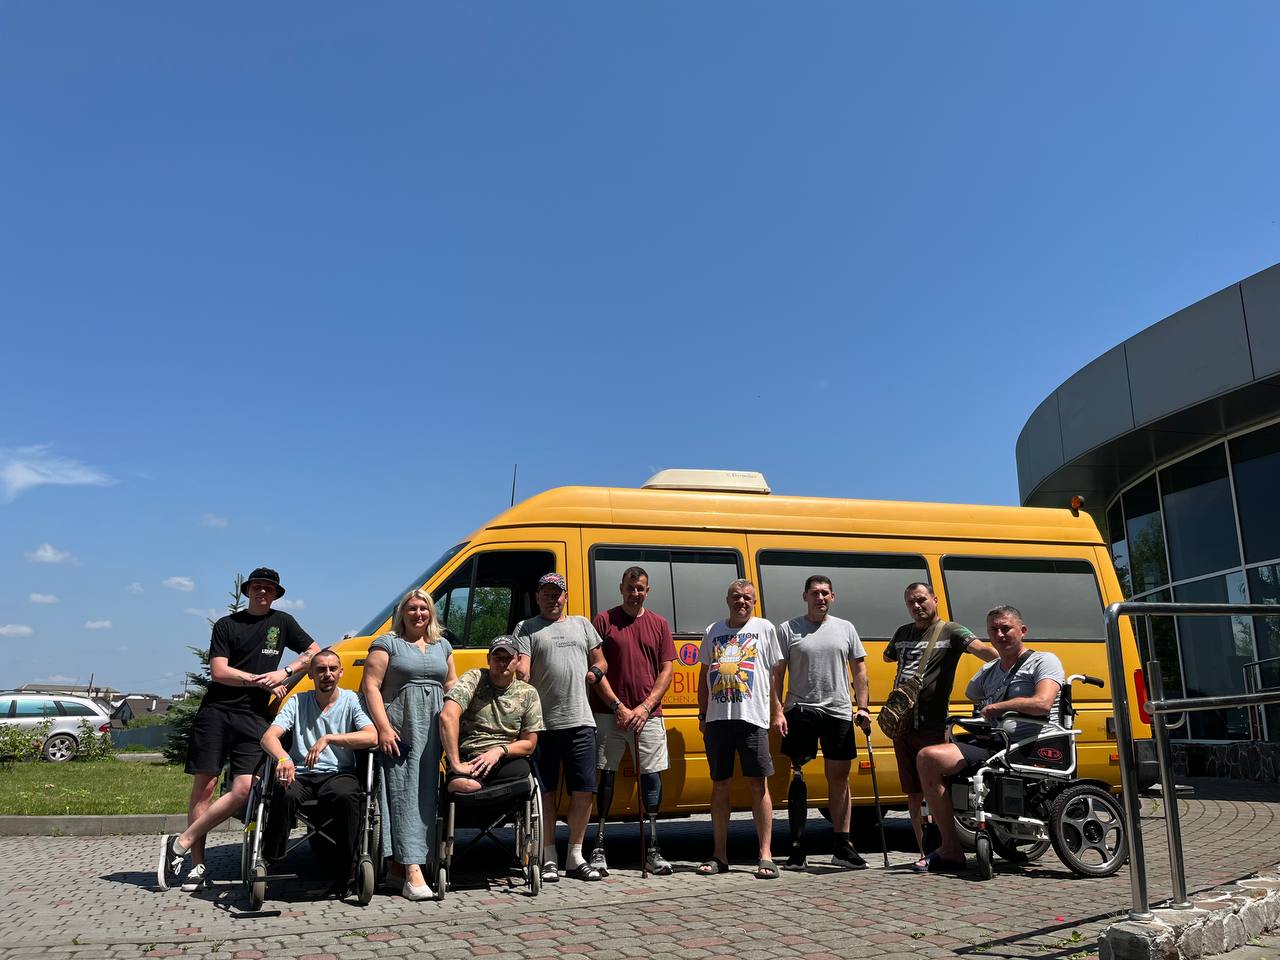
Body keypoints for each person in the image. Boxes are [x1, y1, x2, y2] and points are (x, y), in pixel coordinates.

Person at [157, 567, 319, 893]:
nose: (263, 592)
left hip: (255, 716)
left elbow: (315, 652)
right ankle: (197, 866)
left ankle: (180, 842)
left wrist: (286, 671)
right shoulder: (227, 625)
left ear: (276, 594)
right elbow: (219, 671)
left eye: (269, 588)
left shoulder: (283, 623)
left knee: (244, 788)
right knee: (206, 787)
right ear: (248, 591)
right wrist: (260, 680)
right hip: (217, 712)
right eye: (257, 587)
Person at [915, 604, 1066, 872]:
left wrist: (999, 706)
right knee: (928, 758)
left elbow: (1043, 703)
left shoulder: (1044, 661)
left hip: (1031, 744)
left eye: (1006, 628)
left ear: (1023, 630)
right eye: (993, 630)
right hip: (997, 743)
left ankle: (952, 845)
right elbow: (971, 692)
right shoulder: (991, 669)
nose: (1000, 635)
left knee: (933, 756)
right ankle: (950, 847)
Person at [883, 582, 996, 870]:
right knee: (913, 793)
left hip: (931, 725)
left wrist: (1013, 664)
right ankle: (924, 851)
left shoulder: (951, 631)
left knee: (934, 787)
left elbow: (982, 650)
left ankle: (944, 847)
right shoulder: (902, 633)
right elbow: (889, 656)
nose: (917, 606)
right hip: (902, 724)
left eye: (921, 600)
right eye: (911, 602)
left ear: (935, 599)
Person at [361, 589, 457, 900]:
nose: (418, 613)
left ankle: (397, 871)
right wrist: (383, 728)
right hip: (400, 727)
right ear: (402, 612)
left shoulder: (442, 645)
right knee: (404, 794)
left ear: (431, 613)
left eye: (423, 608)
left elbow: (451, 684)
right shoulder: (387, 643)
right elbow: (371, 686)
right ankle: (413, 870)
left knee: (428, 793)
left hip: (433, 728)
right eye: (412, 608)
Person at [770, 574, 871, 870]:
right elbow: (777, 674)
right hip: (801, 709)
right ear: (805, 597)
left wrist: (863, 707)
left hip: (838, 711)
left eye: (825, 592)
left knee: (839, 778)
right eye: (815, 592)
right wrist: (777, 711)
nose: (821, 597)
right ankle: (797, 848)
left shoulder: (846, 628)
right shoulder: (788, 628)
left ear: (833, 597)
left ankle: (842, 846)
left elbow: (860, 670)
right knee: (798, 776)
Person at [259, 648, 377, 895]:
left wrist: (330, 738)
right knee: (285, 792)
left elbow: (371, 736)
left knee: (347, 796)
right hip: (301, 773)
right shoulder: (297, 701)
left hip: (338, 772)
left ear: (341, 672)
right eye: (321, 669)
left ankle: (347, 870)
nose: (327, 674)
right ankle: (271, 857)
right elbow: (268, 737)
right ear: (311, 674)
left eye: (333, 669)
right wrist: (283, 757)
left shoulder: (352, 700)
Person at [514, 572, 608, 882]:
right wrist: (520, 673)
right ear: (537, 597)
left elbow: (601, 660)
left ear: (565, 597)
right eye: (546, 593)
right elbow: (523, 666)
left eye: (557, 593)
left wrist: (595, 672)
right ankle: (549, 855)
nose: (552, 598)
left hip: (581, 721)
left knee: (584, 791)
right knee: (547, 793)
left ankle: (575, 856)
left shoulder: (582, 624)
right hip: (543, 725)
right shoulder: (526, 627)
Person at [588, 566, 677, 876]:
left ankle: (653, 848)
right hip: (609, 714)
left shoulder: (659, 624)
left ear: (647, 591)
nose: (635, 593)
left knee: (652, 778)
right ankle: (599, 846)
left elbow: (667, 669)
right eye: (630, 587)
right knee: (605, 776)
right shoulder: (604, 620)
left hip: (647, 716)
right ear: (621, 588)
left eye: (640, 588)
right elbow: (596, 667)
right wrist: (618, 706)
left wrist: (645, 707)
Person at [697, 578, 783, 879]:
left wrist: (777, 711)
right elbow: (704, 675)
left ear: (754, 602)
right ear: (728, 600)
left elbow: (775, 676)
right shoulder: (713, 630)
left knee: (758, 784)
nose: (741, 601)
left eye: (747, 597)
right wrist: (702, 714)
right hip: (718, 720)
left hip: (752, 718)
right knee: (720, 785)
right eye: (736, 596)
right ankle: (720, 855)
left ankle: (765, 855)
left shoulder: (765, 629)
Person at [440, 635, 543, 795]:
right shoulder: (474, 678)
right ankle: (475, 785)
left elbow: (529, 744)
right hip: (470, 755)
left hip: (505, 757)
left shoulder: (528, 693)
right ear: (488, 659)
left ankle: (479, 787)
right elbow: (447, 716)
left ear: (518, 660)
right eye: (498, 657)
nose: (502, 663)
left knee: (521, 771)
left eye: (508, 658)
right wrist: (455, 764)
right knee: (464, 785)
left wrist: (499, 751)